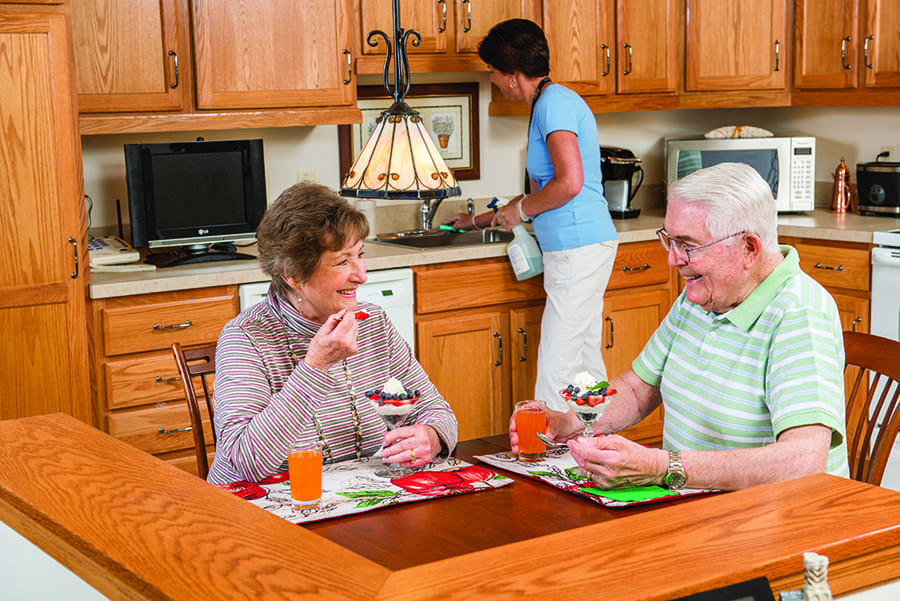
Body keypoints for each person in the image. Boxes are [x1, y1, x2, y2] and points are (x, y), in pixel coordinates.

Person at [514, 163, 849, 491]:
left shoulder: (799, 314)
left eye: (688, 245)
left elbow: (802, 461)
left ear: (748, 248)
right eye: (670, 241)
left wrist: (662, 467)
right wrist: (568, 421)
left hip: (772, 524)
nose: (673, 259)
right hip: (698, 508)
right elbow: (636, 388)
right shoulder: (702, 297)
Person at [206, 183, 458, 485]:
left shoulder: (373, 322)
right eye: (343, 261)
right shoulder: (246, 338)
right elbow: (245, 463)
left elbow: (437, 410)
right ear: (294, 274)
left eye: (360, 255)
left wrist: (432, 436)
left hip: (357, 503)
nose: (361, 275)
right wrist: (316, 366)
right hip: (264, 512)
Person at [443, 18, 618, 411]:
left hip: (579, 247)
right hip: (580, 245)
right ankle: (594, 457)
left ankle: (549, 461)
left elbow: (570, 182)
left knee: (557, 367)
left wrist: (521, 209)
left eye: (491, 71)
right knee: (584, 365)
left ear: (512, 75)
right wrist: (478, 220)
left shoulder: (553, 103)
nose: (490, 79)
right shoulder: (550, 102)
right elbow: (544, 190)